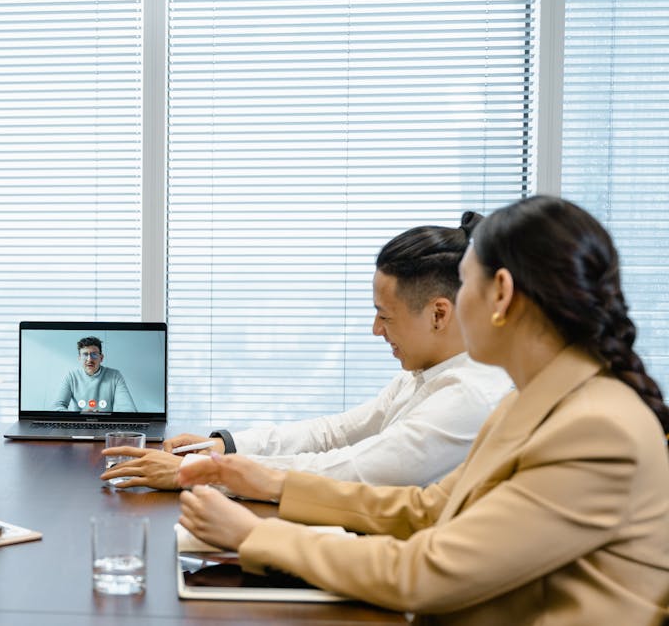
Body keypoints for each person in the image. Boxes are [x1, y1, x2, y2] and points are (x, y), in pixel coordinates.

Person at [177, 196, 669, 625]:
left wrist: (257, 535)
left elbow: (427, 572)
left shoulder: (596, 428)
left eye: (465, 284)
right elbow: (429, 510)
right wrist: (273, 483)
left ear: (500, 294)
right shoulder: (533, 399)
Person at [102, 213, 512, 489]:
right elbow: (333, 434)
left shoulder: (468, 397)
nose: (375, 330)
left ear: (438, 315)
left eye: (385, 317)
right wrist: (227, 446)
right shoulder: (424, 374)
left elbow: (353, 470)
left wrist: (198, 471)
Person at [51, 336, 137, 412]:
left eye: (94, 354)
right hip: (79, 424)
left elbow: (128, 409)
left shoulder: (115, 376)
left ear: (101, 358)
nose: (89, 359)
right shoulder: (71, 377)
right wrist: (79, 416)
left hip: (106, 424)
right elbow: (56, 407)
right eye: (85, 355)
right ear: (79, 358)